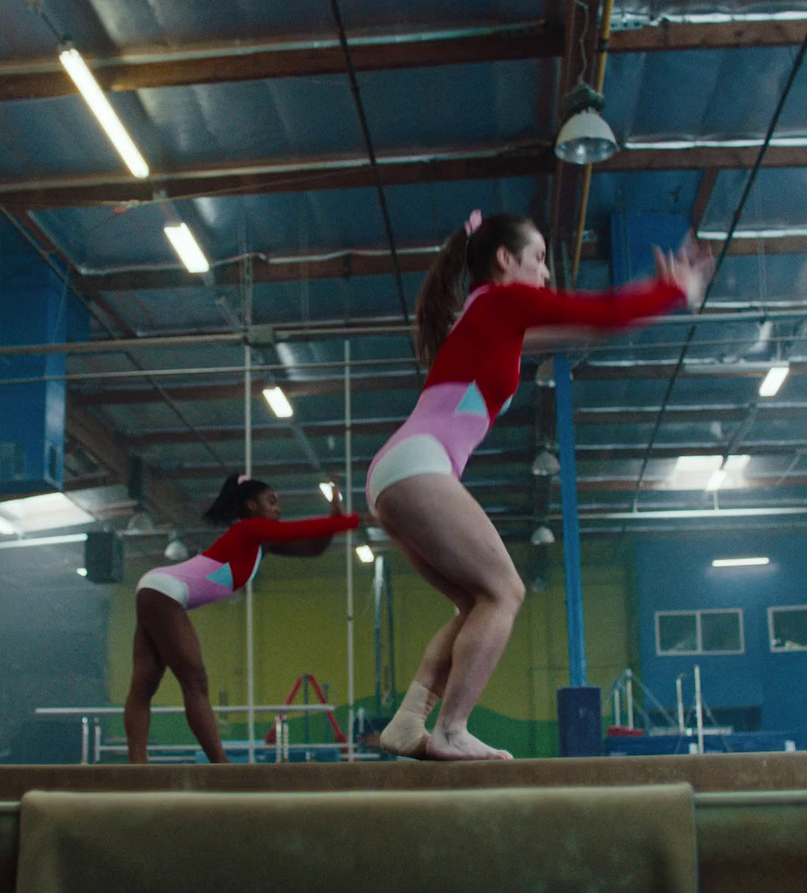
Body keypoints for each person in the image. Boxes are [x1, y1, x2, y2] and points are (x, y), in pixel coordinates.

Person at [368, 211, 713, 760]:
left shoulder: (486, 314)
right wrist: (672, 288)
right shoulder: (502, 302)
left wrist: (657, 299)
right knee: (506, 591)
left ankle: (409, 722)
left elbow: (584, 329)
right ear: (505, 261)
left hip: (398, 471)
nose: (547, 273)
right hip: (417, 467)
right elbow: (601, 313)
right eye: (539, 259)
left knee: (476, 603)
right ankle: (452, 729)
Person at [124, 475, 359, 764]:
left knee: (144, 685)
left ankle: (137, 767)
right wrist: (346, 521)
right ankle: (221, 765)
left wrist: (335, 520)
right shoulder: (249, 529)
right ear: (251, 505)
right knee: (194, 681)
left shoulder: (263, 543)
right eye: (271, 502)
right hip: (164, 592)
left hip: (156, 589)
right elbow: (301, 529)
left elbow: (314, 548)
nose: (278, 509)